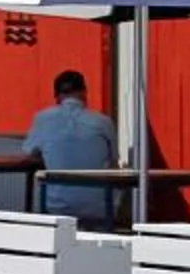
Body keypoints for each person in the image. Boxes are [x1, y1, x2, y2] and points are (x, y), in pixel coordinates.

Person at [28, 70, 122, 224]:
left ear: (57, 97)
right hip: (101, 208)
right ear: (84, 93)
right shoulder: (104, 123)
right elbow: (114, 162)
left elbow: (29, 153)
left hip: (56, 208)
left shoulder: (43, 119)